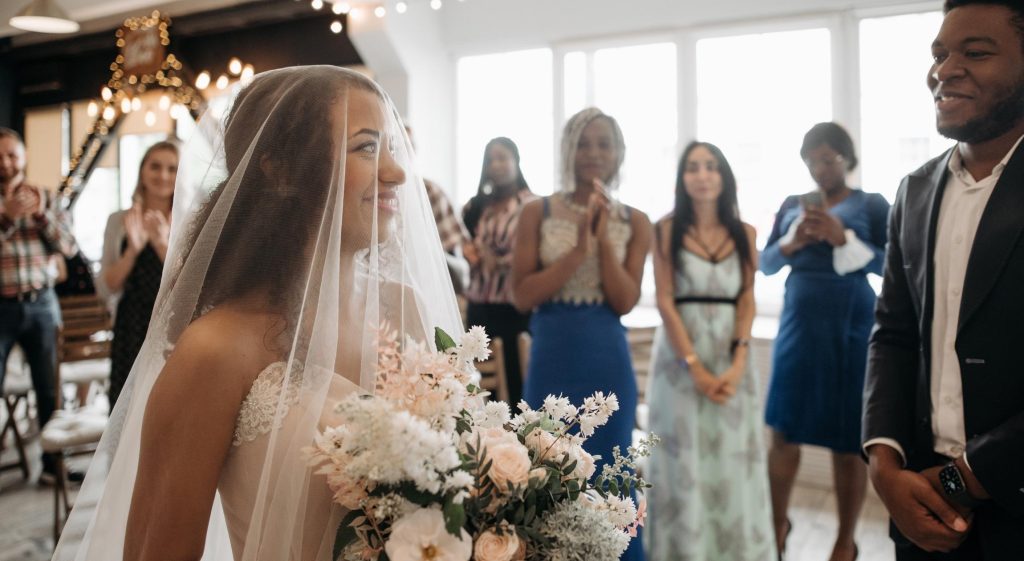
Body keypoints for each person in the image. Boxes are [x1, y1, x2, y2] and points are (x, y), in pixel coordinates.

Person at [52, 66, 464, 561]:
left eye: (392, 149)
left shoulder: (408, 309)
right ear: (281, 171)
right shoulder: (217, 349)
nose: (397, 173)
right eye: (366, 147)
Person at [863, 2, 1024, 559]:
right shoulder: (914, 191)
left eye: (975, 53)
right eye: (938, 54)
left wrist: (959, 481)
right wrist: (884, 468)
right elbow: (893, 333)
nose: (944, 69)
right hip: (918, 508)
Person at [512, 107, 651, 561]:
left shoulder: (637, 220)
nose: (593, 153)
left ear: (618, 153)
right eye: (583, 143)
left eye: (603, 143)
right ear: (567, 150)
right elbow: (521, 295)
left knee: (611, 469)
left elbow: (625, 300)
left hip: (606, 353)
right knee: (547, 465)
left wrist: (605, 240)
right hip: (552, 350)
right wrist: (577, 252)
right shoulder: (537, 211)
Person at [761, 122, 890, 561]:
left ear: (846, 159)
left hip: (851, 325)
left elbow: (894, 265)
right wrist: (793, 241)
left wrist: (844, 238)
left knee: (847, 437)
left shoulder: (871, 205)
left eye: (828, 158)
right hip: (799, 321)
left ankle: (844, 540)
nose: (820, 168)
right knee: (783, 430)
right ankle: (777, 525)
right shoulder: (792, 205)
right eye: (812, 159)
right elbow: (764, 263)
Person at [645, 141, 773, 560]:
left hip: (732, 357)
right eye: (693, 167)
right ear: (682, 179)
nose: (703, 175)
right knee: (683, 464)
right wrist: (695, 366)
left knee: (734, 461)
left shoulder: (746, 232)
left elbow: (748, 298)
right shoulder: (664, 230)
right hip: (679, 362)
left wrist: (738, 362)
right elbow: (664, 300)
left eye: (711, 167)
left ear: (724, 176)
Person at [0, 127, 78, 482]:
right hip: (1, 306)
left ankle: (53, 465)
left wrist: (41, 215)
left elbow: (69, 247)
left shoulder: (48, 197)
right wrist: (7, 217)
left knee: (50, 388)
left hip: (42, 303)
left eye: (11, 155)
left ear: (23, 157)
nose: (5, 163)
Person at [100, 140, 179, 408]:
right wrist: (132, 252)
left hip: (171, 323)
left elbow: (188, 282)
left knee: (166, 401)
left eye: (172, 168)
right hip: (131, 323)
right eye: (155, 166)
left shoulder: (188, 219)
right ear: (142, 171)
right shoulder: (117, 220)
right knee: (128, 402)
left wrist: (161, 244)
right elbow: (108, 285)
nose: (163, 175)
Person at [462, 137, 534, 405]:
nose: (497, 165)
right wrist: (471, 254)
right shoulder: (475, 207)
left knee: (516, 385)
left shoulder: (532, 206)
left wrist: (498, 260)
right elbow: (463, 244)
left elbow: (535, 254)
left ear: (516, 161)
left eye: (503, 158)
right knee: (480, 383)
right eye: (490, 160)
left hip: (514, 308)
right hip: (480, 305)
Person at [404, 124, 470, 294]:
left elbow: (459, 270)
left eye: (409, 145)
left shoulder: (429, 192)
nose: (403, 152)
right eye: (396, 145)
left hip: (426, 292)